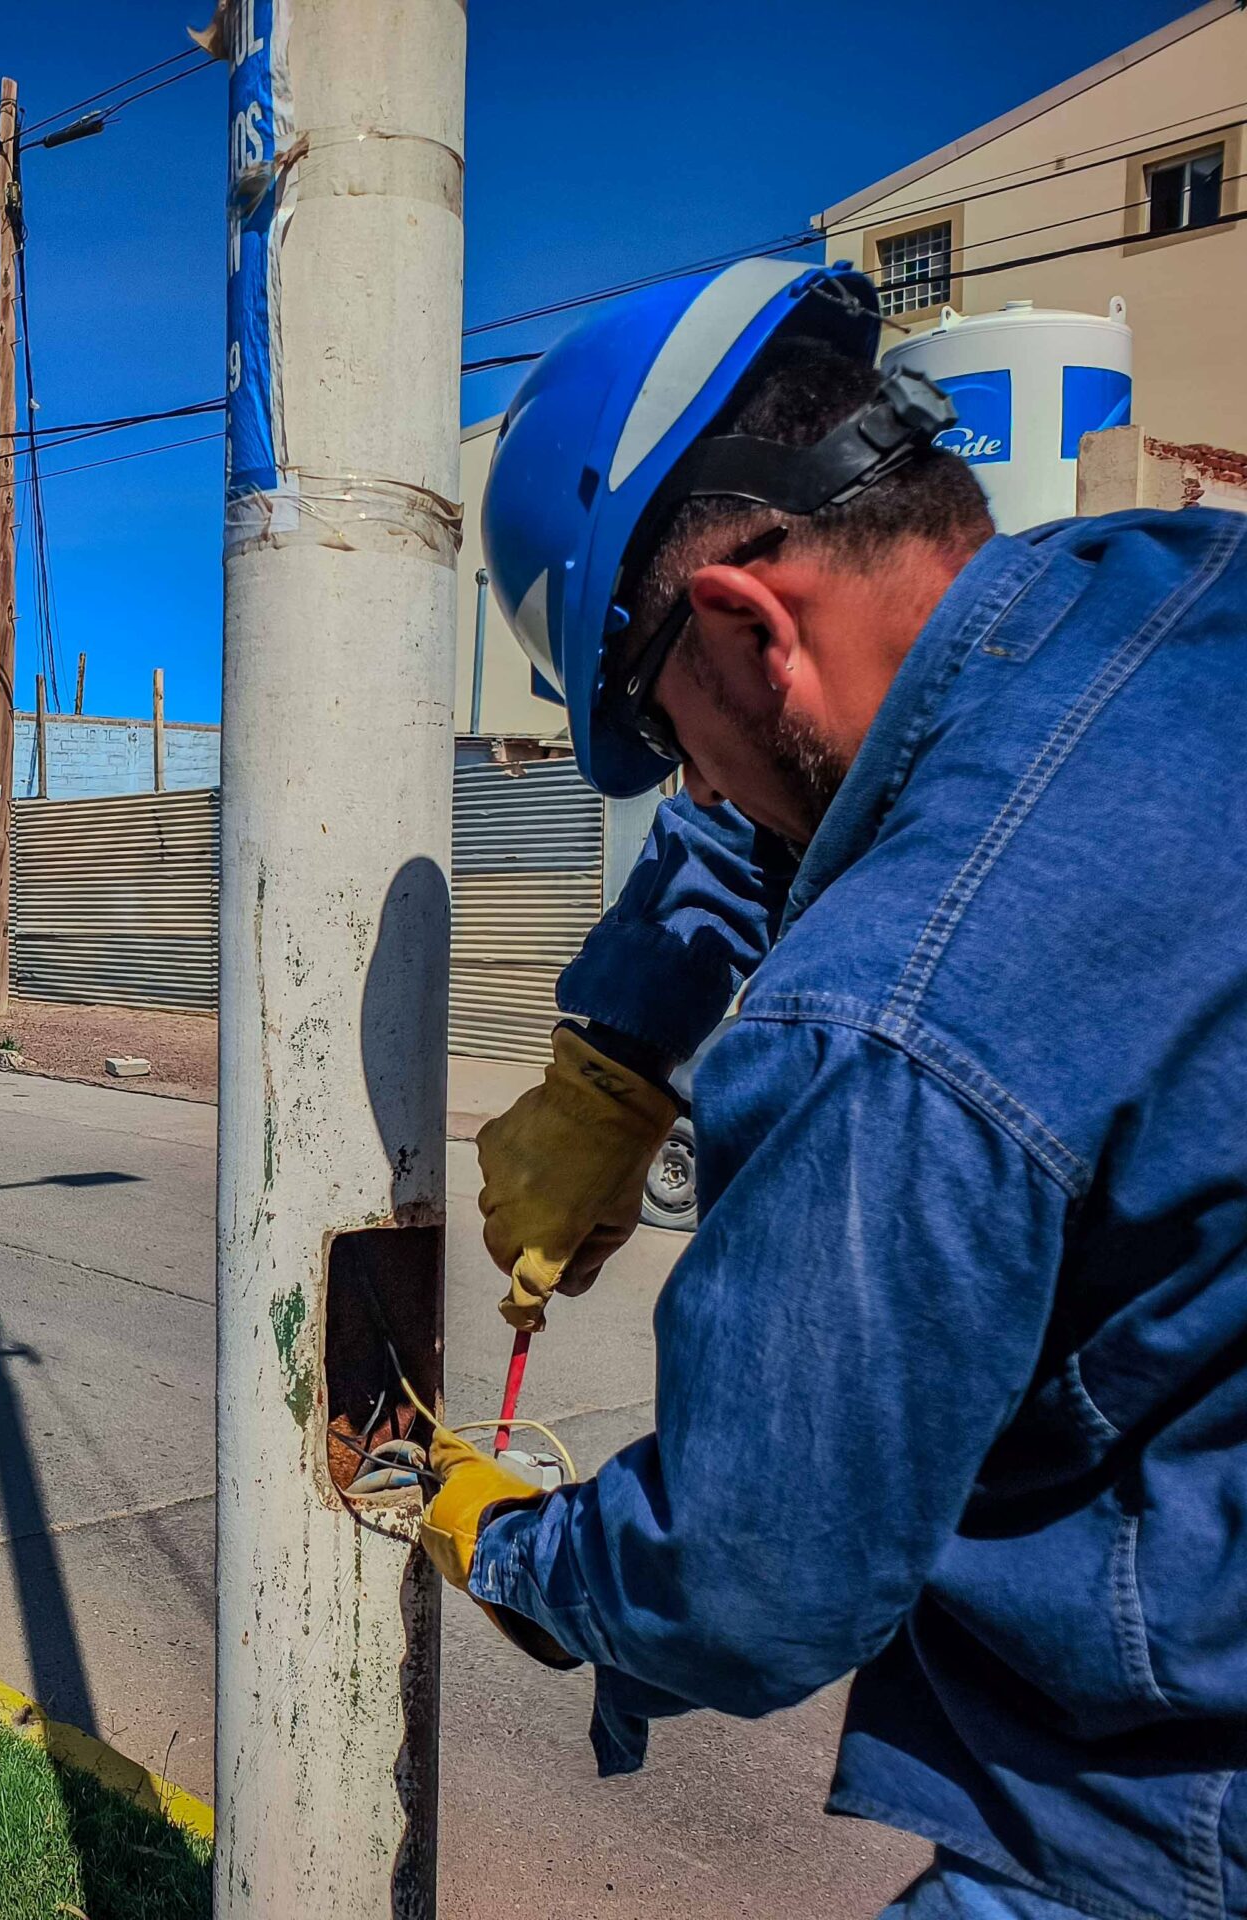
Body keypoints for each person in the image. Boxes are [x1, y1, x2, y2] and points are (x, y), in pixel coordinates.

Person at [428, 258, 1247, 1919]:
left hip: (1175, 1818)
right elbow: (844, 769)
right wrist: (623, 1046)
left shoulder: (885, 1018)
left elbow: (751, 1577)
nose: (691, 785)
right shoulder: (1176, 593)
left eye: (662, 732)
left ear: (746, 624)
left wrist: (516, 1554)